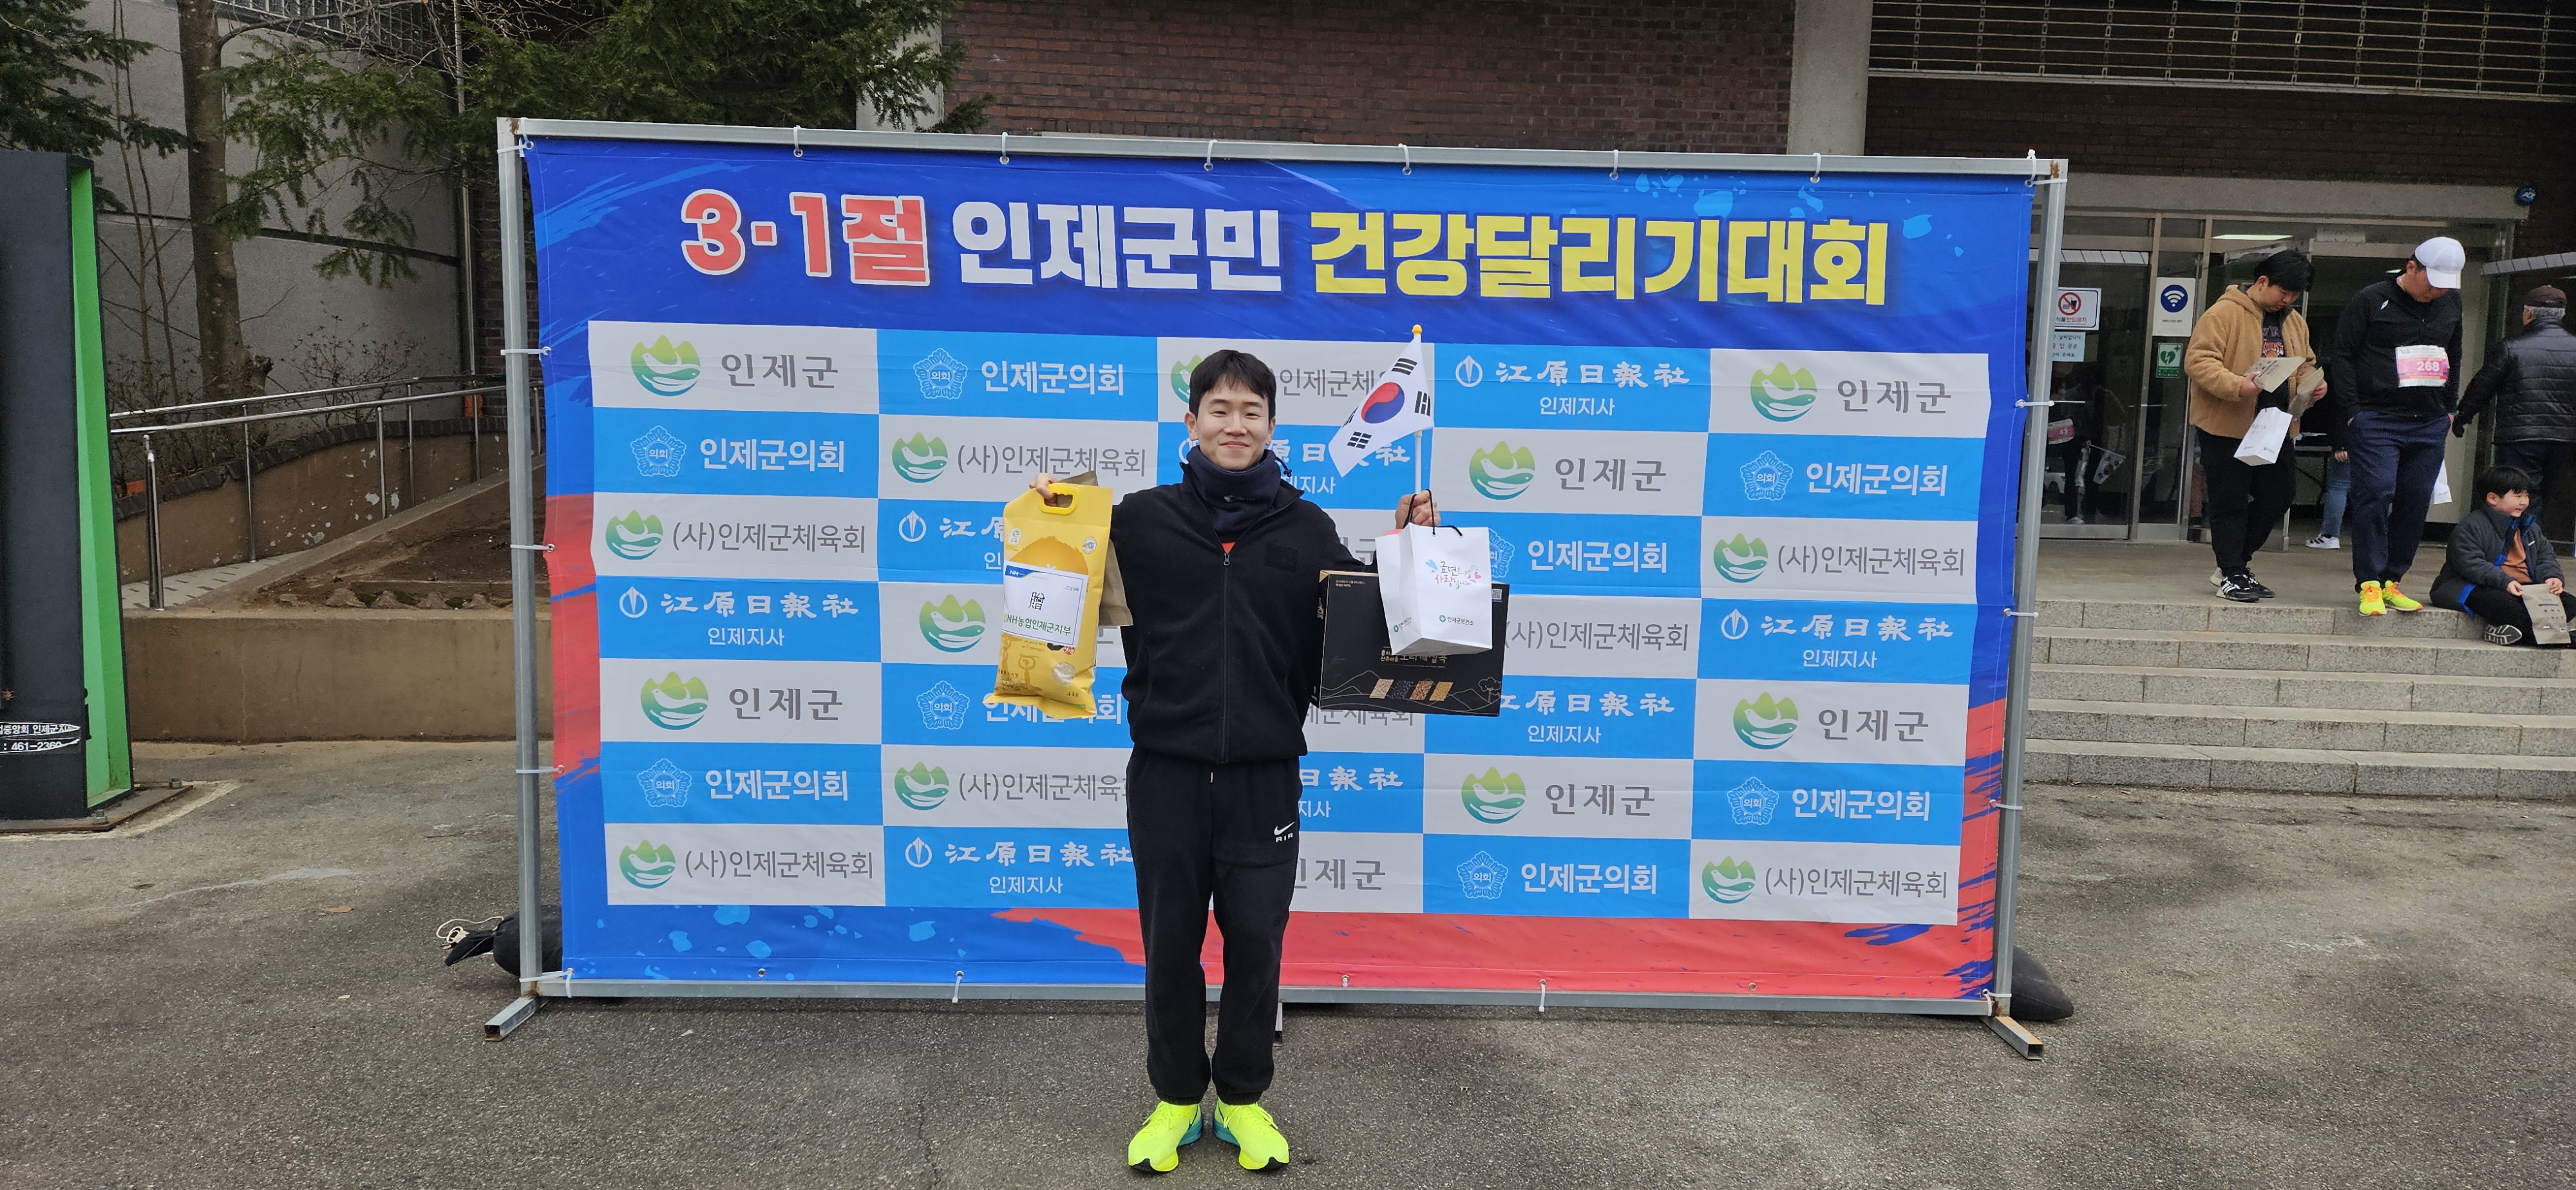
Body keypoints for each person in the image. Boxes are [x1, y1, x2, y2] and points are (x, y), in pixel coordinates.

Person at [1028, 350, 1436, 1175]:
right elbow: (1058, 584)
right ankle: (1177, 1099)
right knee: (1169, 944)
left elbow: (1365, 630)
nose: (1235, 424)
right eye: (1219, 409)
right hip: (1166, 773)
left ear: (1272, 427)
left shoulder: (1306, 528)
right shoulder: (1139, 520)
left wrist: (1411, 555)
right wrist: (1052, 518)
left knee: (1256, 943)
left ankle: (1244, 1100)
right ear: (1191, 422)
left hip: (1263, 776)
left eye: (1251, 411)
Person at [2327, 236, 2467, 616]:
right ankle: (2369, 582)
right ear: (2411, 268)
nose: (2437, 291)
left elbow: (2453, 353)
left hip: (2429, 419)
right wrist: (2353, 410)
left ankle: (2392, 580)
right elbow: (2343, 354)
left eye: (2445, 285)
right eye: (2431, 283)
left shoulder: (2451, 302)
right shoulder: (2371, 299)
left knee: (2415, 499)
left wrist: (2450, 408)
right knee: (2376, 492)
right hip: (2377, 417)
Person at [2184, 249, 2325, 602]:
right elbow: (2198, 361)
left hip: (2276, 423)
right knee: (2229, 499)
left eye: (2294, 295)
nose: (2288, 301)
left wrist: (2312, 383)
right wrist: (2237, 385)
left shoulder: (2294, 321)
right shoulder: (2223, 313)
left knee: (2280, 495)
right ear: (2262, 282)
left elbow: (2306, 361)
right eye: (2284, 292)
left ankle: (2234, 565)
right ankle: (2233, 572)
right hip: (2227, 424)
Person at [2456, 286, 2575, 526]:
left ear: (2528, 313)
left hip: (2519, 437)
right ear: (2562, 315)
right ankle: (2529, 543)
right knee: (2540, 496)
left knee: (2518, 496)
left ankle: (2519, 545)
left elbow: (2483, 386)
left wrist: (2462, 416)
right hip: (2564, 438)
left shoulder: (2511, 347)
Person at [2431, 465, 2572, 647]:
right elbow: (2470, 563)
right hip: (2475, 585)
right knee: (2505, 605)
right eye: (2518, 496)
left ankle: (2514, 632)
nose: (2524, 502)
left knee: (2570, 603)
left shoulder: (2529, 526)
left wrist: (2552, 577)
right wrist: (2504, 581)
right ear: (2493, 498)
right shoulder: (2472, 525)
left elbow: (2545, 557)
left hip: (2523, 588)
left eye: (2526, 496)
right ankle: (2555, 638)